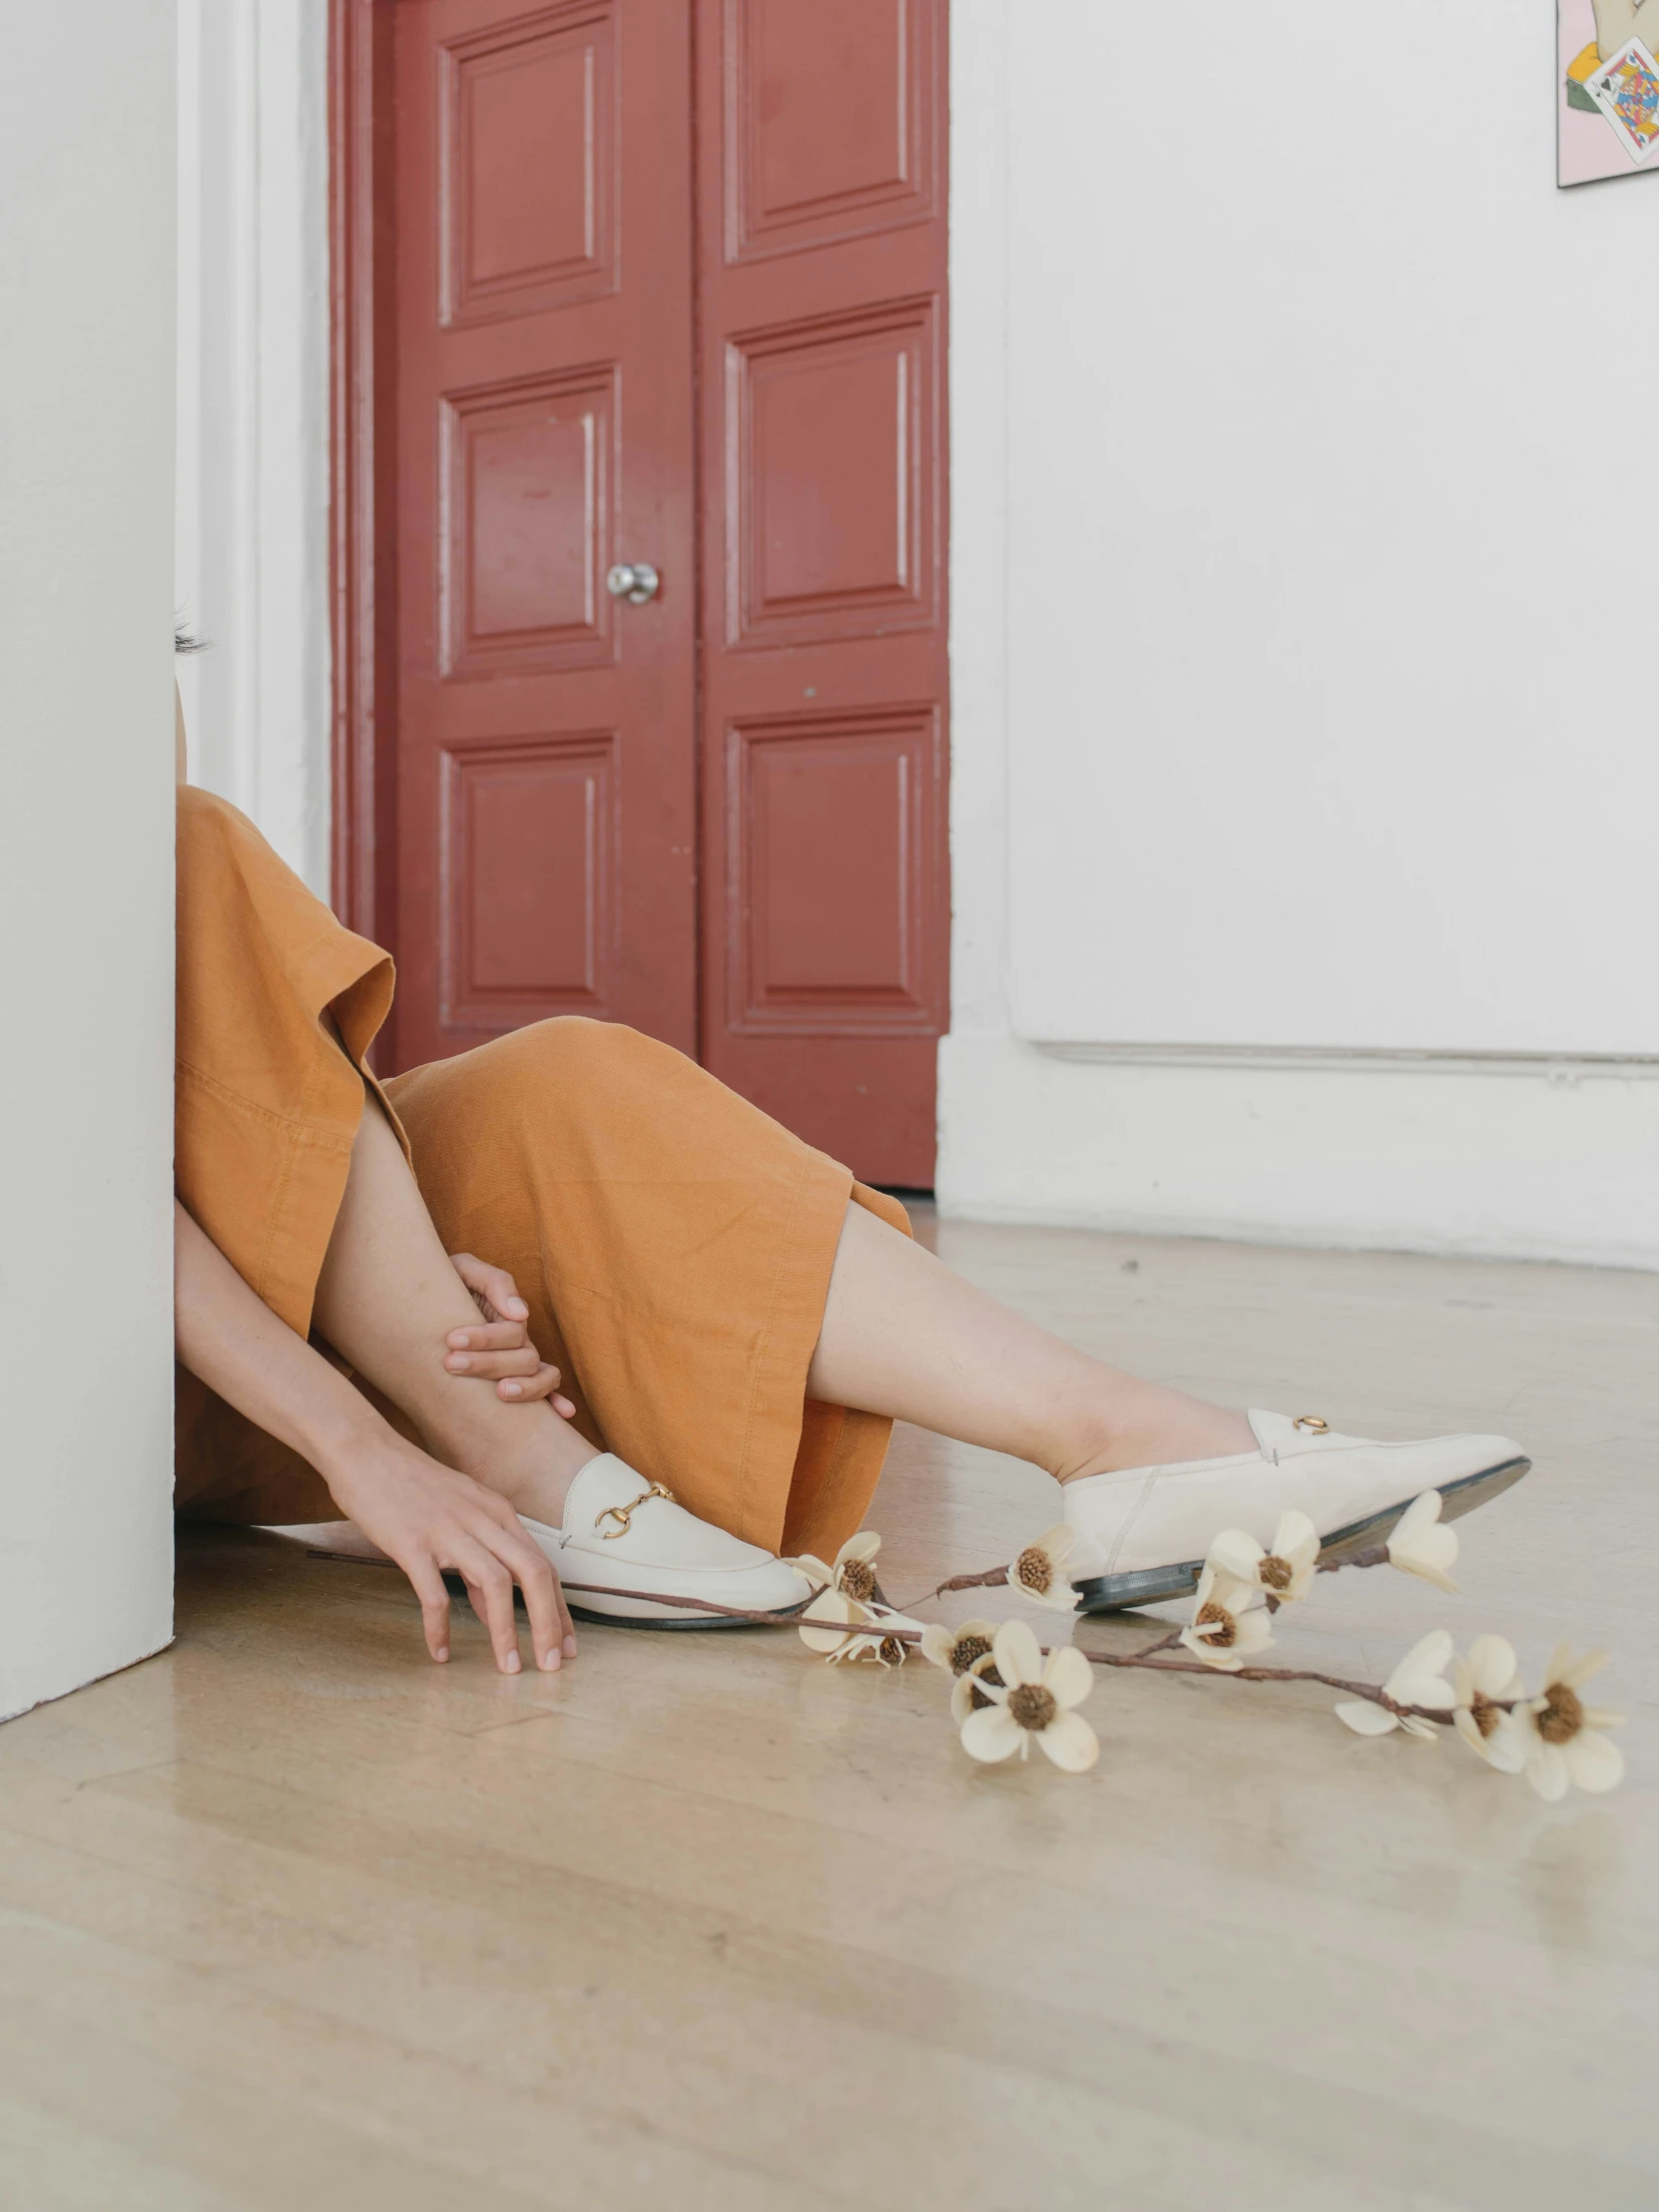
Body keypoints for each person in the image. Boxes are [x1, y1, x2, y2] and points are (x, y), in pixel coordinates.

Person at [171, 659, 1529, 1678]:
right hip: (97, 1333)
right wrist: (361, 1444)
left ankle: (1126, 1449)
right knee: (188, 845)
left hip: (211, 1258)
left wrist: (383, 1245)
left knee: (560, 1086)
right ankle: (493, 1440)